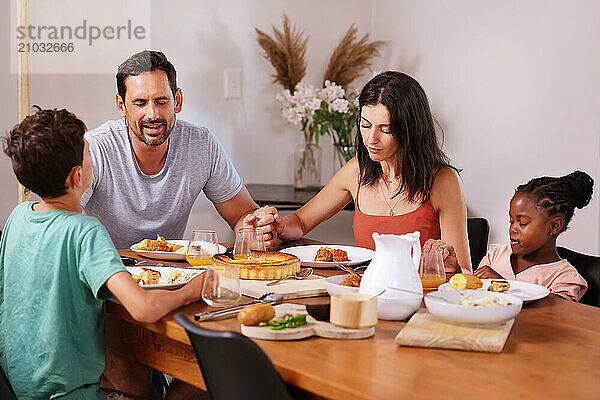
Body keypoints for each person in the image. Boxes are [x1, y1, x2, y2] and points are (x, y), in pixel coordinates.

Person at [0, 108, 206, 399]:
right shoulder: (84, 231)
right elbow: (143, 308)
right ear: (78, 175)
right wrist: (192, 290)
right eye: (88, 152)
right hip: (72, 393)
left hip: (19, 387)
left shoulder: (17, 217)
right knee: (203, 382)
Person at [267, 71, 470, 272]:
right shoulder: (357, 171)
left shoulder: (443, 181)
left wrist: (452, 266)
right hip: (364, 293)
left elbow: (465, 272)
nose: (371, 138)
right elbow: (301, 222)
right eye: (365, 125)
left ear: (411, 130)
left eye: (385, 129)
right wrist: (280, 227)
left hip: (418, 298)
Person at [81, 50, 277, 249]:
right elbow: (62, 218)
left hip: (174, 273)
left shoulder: (201, 144)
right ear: (121, 105)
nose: (152, 113)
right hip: (108, 272)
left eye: (161, 101)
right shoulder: (96, 148)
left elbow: (241, 214)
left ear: (178, 100)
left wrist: (253, 230)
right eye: (140, 103)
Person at [473, 171, 592, 301]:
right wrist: (457, 271)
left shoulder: (564, 277)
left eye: (523, 223)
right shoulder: (495, 255)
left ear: (554, 226)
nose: (513, 229)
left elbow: (553, 313)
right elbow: (472, 294)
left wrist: (505, 286)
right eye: (511, 221)